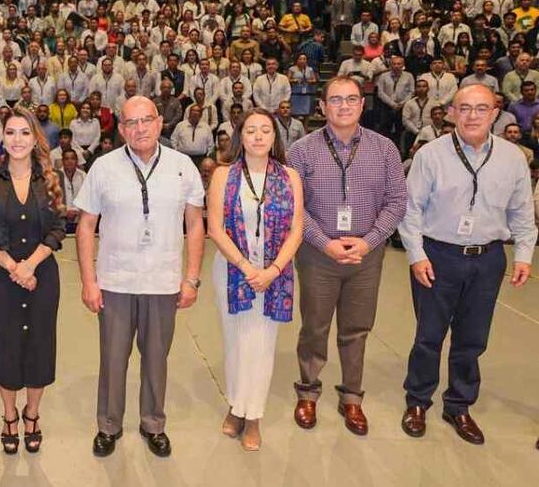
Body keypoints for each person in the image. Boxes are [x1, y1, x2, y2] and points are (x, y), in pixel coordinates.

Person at [399, 84, 535, 445]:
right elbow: (409, 211)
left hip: (488, 258)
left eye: (481, 108)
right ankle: (417, 400)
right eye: (465, 108)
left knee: (472, 338)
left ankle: (458, 404)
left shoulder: (513, 157)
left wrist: (523, 254)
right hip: (437, 255)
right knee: (429, 335)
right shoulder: (431, 155)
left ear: (496, 113)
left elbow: (522, 212)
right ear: (453, 112)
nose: (472, 115)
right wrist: (416, 255)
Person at [74, 96, 206, 458]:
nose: (140, 128)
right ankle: (109, 425)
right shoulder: (103, 167)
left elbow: (195, 226)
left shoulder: (183, 167)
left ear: (160, 122)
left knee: (156, 358)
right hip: (116, 281)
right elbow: (86, 226)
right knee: (113, 358)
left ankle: (153, 423)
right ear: (120, 130)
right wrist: (89, 280)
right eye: (131, 123)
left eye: (146, 120)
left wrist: (191, 278)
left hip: (164, 282)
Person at [287, 76, 407, 435]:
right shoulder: (302, 150)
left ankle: (352, 397)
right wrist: (325, 242)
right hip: (317, 254)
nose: (343, 106)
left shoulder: (384, 149)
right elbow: (295, 206)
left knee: (356, 329)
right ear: (322, 106)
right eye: (335, 100)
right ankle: (308, 391)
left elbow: (397, 201)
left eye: (351, 99)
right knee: (314, 326)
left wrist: (369, 241)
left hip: (366, 256)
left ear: (362, 104)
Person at [206, 108, 304, 451]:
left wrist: (272, 271)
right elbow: (215, 228)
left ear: (275, 137)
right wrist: (248, 269)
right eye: (251, 130)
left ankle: (254, 416)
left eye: (266, 130)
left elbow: (297, 230)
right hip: (234, 271)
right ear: (240, 137)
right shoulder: (223, 175)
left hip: (274, 274)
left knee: (261, 346)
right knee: (236, 343)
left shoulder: (290, 177)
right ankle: (236, 407)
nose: (259, 136)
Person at [0, 107, 66, 454]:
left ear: (35, 138)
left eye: (24, 133)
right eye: (10, 132)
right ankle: (10, 416)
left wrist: (31, 266)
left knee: (40, 346)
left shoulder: (50, 179)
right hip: (2, 278)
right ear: (2, 136)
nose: (17, 139)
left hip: (43, 277)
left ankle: (33, 414)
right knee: (8, 346)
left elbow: (59, 229)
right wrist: (15, 267)